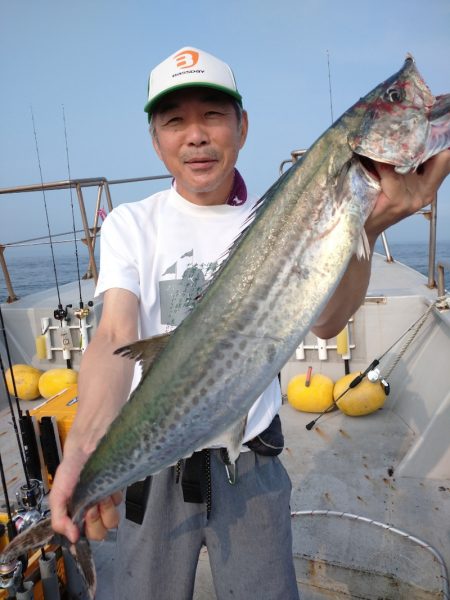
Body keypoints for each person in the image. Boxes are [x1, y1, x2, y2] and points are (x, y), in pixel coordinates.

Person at [49, 47, 450, 600]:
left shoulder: (275, 212)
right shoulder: (131, 223)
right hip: (154, 465)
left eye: (213, 114)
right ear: (155, 138)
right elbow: (116, 335)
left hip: (251, 464)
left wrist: (371, 226)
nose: (196, 135)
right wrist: (84, 447)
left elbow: (330, 321)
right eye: (175, 120)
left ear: (242, 125)